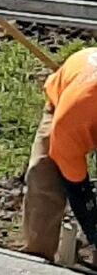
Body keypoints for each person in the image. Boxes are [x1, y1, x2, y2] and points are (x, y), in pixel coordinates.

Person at [22, 48, 97, 262]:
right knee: (44, 176)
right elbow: (78, 190)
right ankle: (38, 254)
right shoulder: (70, 123)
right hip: (66, 99)